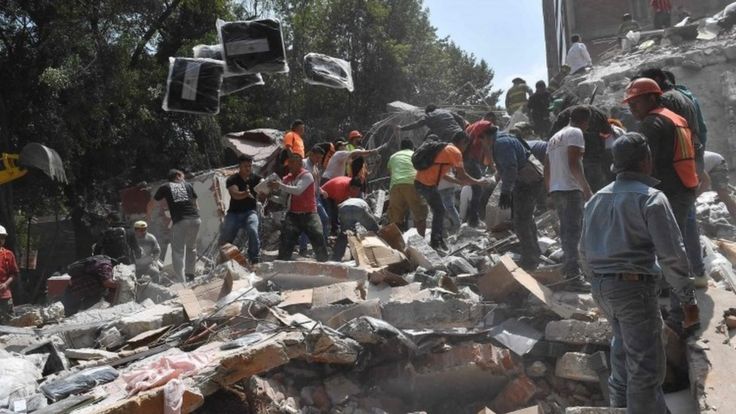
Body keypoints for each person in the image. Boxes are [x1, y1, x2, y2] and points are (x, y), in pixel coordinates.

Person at [580, 132, 699, 413]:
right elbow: (672, 255)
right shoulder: (652, 199)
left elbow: (582, 252)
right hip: (634, 290)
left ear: (616, 164)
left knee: (622, 352)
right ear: (647, 161)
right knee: (646, 371)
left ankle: (619, 407)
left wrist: (599, 282)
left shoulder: (596, 199)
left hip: (602, 289)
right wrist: (687, 297)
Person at [624, 78, 699, 332]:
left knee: (666, 250)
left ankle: (676, 314)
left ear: (652, 98)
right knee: (674, 245)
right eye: (630, 103)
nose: (632, 107)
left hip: (671, 189)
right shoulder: (674, 117)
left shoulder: (652, 123)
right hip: (685, 185)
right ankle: (674, 306)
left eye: (636, 101)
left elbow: (644, 161)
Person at [545, 106, 593, 290]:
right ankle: (574, 276)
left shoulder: (554, 137)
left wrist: (549, 192)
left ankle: (569, 270)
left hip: (557, 190)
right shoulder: (575, 133)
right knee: (574, 232)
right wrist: (586, 189)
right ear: (585, 120)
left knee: (567, 232)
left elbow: (547, 168)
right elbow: (574, 163)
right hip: (570, 189)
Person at [414, 133, 489, 251]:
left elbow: (444, 175)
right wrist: (479, 181)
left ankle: (438, 239)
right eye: (466, 145)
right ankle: (436, 241)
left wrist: (459, 183)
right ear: (463, 142)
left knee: (439, 210)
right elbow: (463, 175)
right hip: (426, 185)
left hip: (422, 183)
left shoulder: (445, 149)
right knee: (440, 210)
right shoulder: (455, 152)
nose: (466, 149)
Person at [493, 130, 544, 270]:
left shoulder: (501, 143)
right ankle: (534, 253)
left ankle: (530, 260)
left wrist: (505, 192)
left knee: (521, 221)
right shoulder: (506, 138)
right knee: (526, 218)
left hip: (526, 182)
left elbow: (510, 167)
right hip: (530, 180)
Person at [271, 153, 329, 262]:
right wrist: (269, 196)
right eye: (289, 163)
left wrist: (279, 185)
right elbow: (283, 200)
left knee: (318, 239)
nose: (290, 166)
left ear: (300, 164)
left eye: (293, 163)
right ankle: (282, 265)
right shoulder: (286, 179)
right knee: (285, 242)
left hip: (309, 214)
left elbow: (298, 190)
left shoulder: (307, 175)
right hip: (293, 215)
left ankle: (325, 263)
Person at [550, 104, 613, 193]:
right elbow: (607, 132)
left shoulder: (564, 115)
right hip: (593, 159)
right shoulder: (598, 113)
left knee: (578, 191)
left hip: (572, 161)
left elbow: (553, 137)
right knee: (598, 190)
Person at [154, 169, 201, 282]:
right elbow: (196, 204)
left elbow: (154, 201)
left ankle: (181, 280)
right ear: (178, 176)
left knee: (178, 251)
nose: (184, 178)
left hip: (181, 221)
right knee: (191, 248)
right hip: (196, 220)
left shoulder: (165, 186)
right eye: (183, 176)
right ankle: (190, 275)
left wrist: (148, 215)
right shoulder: (188, 185)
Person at [220, 155, 264, 263]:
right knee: (226, 236)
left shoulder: (256, 178)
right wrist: (245, 193)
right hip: (234, 213)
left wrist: (268, 185)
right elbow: (235, 194)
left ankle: (254, 259)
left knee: (253, 230)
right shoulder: (232, 179)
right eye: (245, 166)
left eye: (250, 166)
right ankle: (224, 259)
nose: (248, 168)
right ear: (239, 166)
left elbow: (264, 183)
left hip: (250, 212)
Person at [387, 139, 428, 235]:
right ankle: (421, 242)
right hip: (413, 183)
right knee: (420, 215)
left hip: (395, 185)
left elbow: (391, 173)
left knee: (396, 218)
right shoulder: (415, 154)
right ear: (412, 147)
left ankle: (398, 245)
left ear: (401, 148)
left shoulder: (393, 156)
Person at [464, 120, 498, 227]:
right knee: (478, 190)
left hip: (469, 161)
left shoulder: (473, 130)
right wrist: (493, 167)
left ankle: (470, 217)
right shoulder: (482, 135)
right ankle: (473, 220)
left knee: (476, 190)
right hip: (472, 161)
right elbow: (487, 150)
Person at [298, 146, 330, 255]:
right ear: (311, 154)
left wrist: (321, 191)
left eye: (320, 158)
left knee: (325, 219)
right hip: (306, 198)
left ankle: (322, 246)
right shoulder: (303, 164)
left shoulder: (315, 166)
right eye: (317, 157)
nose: (319, 160)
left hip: (316, 197)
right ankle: (303, 249)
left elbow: (315, 183)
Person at [700, 151, 736, 221]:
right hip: (706, 164)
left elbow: (706, 182)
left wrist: (695, 195)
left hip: (717, 163)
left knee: (723, 195)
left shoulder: (689, 163)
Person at [399, 105, 467, 142]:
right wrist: (463, 130)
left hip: (450, 139)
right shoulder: (446, 111)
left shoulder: (428, 116)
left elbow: (416, 124)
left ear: (427, 112)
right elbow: (460, 119)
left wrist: (401, 128)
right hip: (462, 135)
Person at [0, 225, 18, 323]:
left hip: (4, 295)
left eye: (2, 237)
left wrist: (5, 284)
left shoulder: (8, 254)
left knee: (10, 322)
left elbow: (13, 273)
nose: (1, 239)